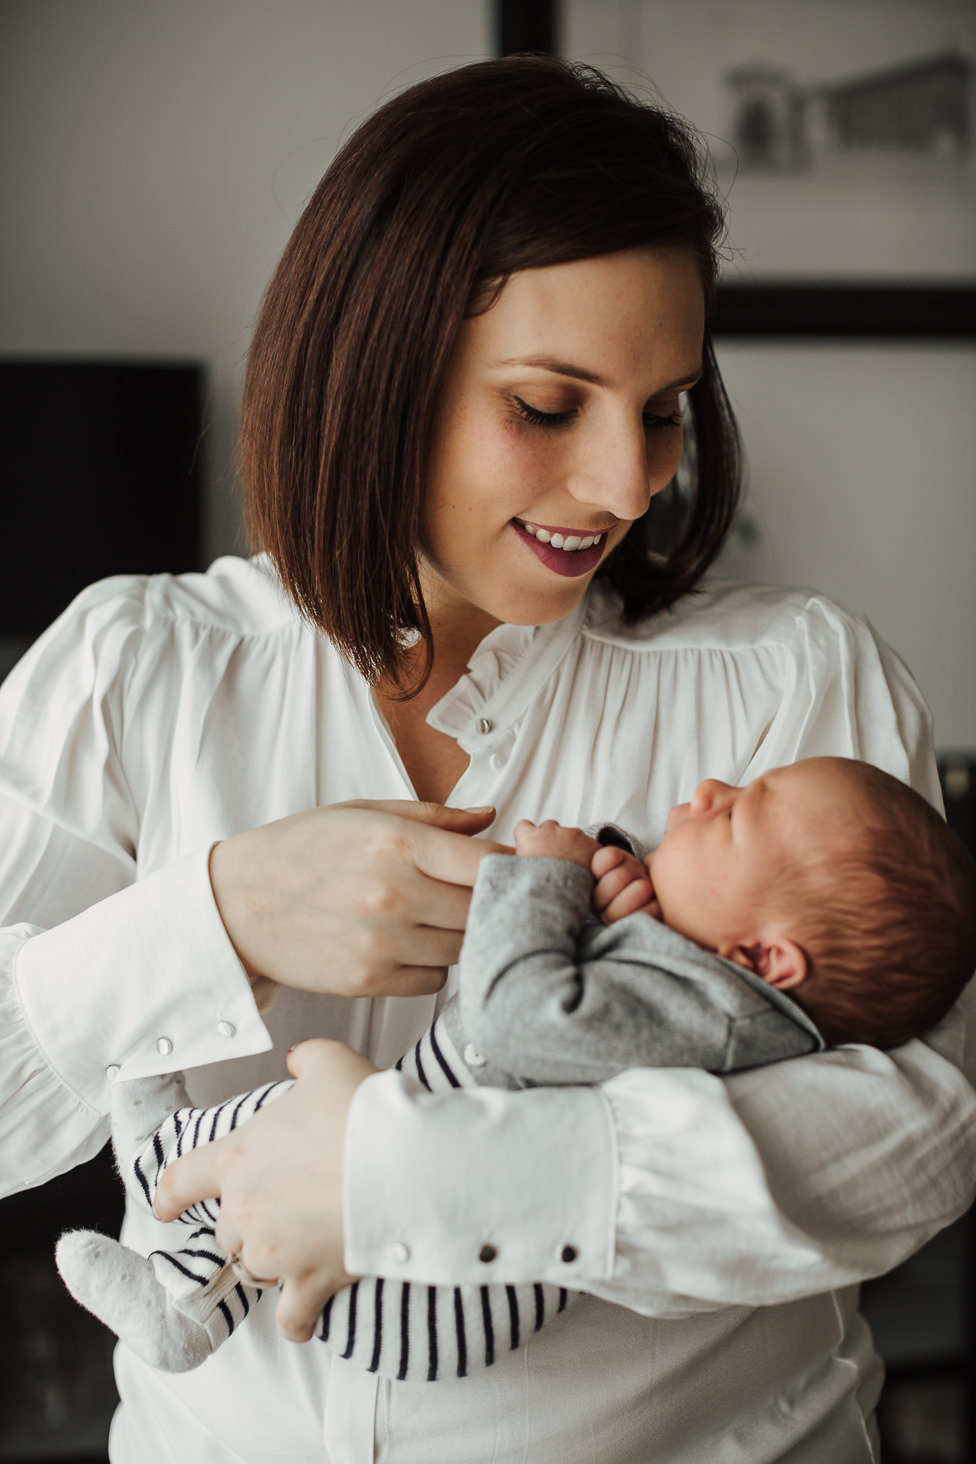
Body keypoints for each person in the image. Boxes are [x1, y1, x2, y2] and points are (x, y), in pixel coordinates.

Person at [2, 53, 974, 1464]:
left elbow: (919, 1142)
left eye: (661, 410)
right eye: (545, 405)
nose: (629, 484)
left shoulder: (794, 683)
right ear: (374, 372)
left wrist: (423, 1177)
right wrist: (212, 918)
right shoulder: (128, 673)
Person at [55, 754, 976, 1383]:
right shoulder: (721, 1006)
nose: (706, 788)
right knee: (292, 1143)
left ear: (767, 961)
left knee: (291, 1121)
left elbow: (521, 1019)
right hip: (413, 1278)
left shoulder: (716, 1015)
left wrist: (543, 880)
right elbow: (610, 1015)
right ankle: (186, 1302)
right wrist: (618, 910)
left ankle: (158, 1164)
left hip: (421, 1295)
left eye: (734, 816)